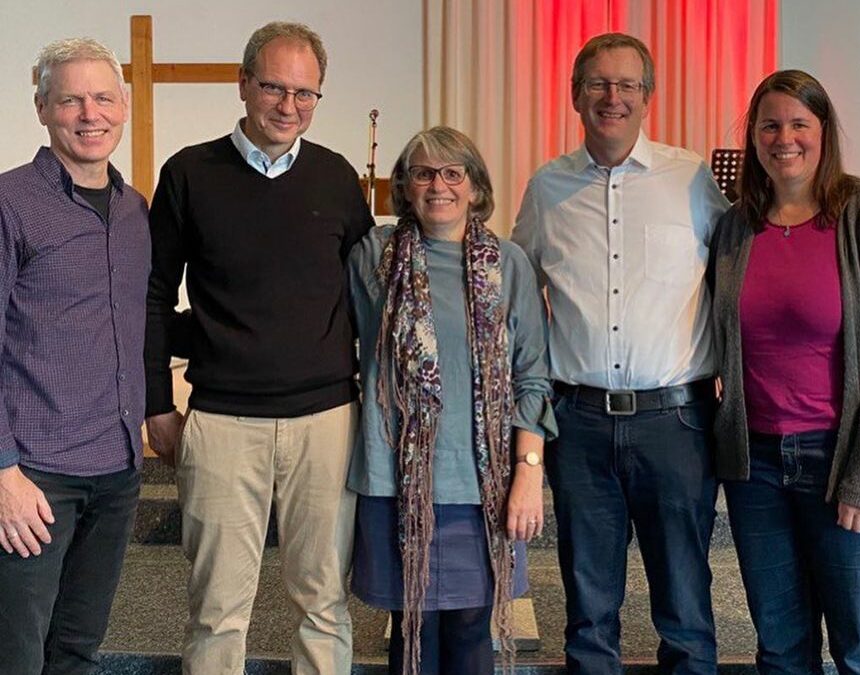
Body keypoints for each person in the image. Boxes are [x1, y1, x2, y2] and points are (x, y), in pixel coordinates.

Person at [143, 21, 375, 674]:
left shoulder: (335, 178)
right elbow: (154, 293)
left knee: (323, 604)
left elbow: (365, 300)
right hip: (222, 422)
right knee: (217, 609)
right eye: (274, 86)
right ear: (244, 84)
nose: (288, 105)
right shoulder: (190, 173)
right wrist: (157, 401)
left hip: (326, 421)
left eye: (305, 93)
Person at [512, 33, 729, 674]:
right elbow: (520, 295)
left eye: (628, 85)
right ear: (576, 94)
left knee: (686, 605)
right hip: (575, 423)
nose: (614, 97)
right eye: (600, 84)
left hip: (676, 424)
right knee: (588, 610)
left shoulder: (690, 179)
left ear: (648, 96)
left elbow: (736, 275)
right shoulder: (548, 188)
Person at [708, 69, 860, 674]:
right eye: (770, 125)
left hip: (844, 461)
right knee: (780, 650)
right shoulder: (735, 227)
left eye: (800, 124)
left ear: (823, 132)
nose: (785, 138)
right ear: (752, 138)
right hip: (758, 472)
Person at [347, 125, 553, 675]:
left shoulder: (508, 264)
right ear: (406, 187)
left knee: (467, 629)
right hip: (396, 481)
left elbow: (533, 376)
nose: (438, 185)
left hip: (478, 486)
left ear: (475, 185)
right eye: (423, 173)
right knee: (410, 631)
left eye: (452, 172)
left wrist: (528, 472)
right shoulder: (373, 258)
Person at [0, 38, 149, 674]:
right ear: (42, 108)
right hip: (33, 476)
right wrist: (2, 471)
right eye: (70, 100)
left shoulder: (135, 209)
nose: (90, 114)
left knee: (78, 651)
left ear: (124, 105)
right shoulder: (9, 203)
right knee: (17, 656)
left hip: (116, 468)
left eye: (103, 98)